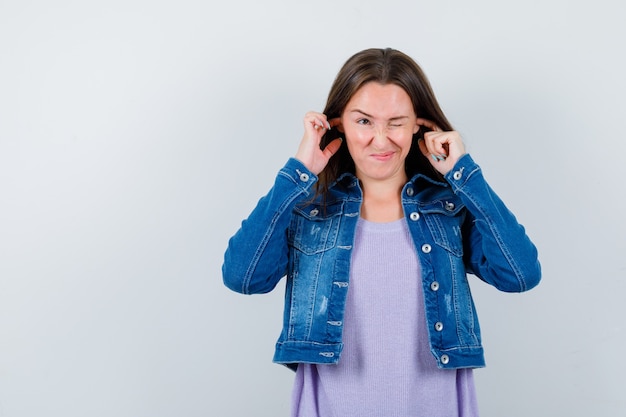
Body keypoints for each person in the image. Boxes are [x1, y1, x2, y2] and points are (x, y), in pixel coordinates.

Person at [222, 47, 541, 417]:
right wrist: (299, 171)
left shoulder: (448, 208)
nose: (381, 139)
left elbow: (520, 275)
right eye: (364, 121)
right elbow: (242, 277)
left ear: (419, 126)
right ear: (337, 123)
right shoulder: (310, 209)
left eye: (396, 122)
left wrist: (464, 174)